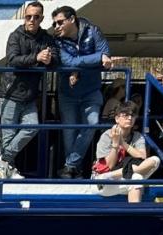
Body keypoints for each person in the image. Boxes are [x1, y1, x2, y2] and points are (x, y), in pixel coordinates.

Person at [0, 1, 55, 179]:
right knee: (8, 136)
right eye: (29, 16)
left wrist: (49, 59)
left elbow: (56, 57)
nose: (32, 20)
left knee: (32, 127)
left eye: (36, 17)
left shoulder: (46, 38)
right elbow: (13, 59)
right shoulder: (15, 36)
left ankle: (3, 161)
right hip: (10, 92)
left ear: (41, 18)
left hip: (29, 95)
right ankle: (7, 170)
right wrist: (36, 57)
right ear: (24, 17)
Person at [51, 5, 113, 179]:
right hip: (67, 94)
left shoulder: (93, 31)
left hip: (91, 91)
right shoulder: (57, 40)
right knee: (69, 132)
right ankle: (73, 170)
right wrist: (96, 59)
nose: (56, 27)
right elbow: (68, 62)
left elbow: (106, 53)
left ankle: (70, 166)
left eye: (60, 22)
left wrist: (79, 66)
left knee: (92, 124)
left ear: (72, 19)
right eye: (54, 24)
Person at [91, 102, 160, 202]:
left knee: (155, 160)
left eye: (132, 115)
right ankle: (134, 215)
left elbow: (142, 156)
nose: (129, 118)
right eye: (125, 115)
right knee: (137, 178)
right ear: (117, 119)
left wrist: (122, 143)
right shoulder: (107, 135)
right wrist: (115, 144)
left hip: (117, 177)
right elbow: (109, 165)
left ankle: (133, 215)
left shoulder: (137, 136)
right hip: (103, 183)